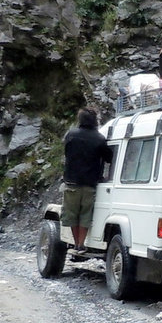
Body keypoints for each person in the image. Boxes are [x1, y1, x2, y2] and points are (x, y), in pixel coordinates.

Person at [61, 107, 113, 253]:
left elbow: (66, 153)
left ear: (80, 119)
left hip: (71, 181)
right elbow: (109, 157)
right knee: (85, 215)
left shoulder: (71, 135)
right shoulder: (99, 138)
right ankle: (81, 244)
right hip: (90, 183)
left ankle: (75, 242)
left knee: (72, 214)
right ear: (94, 121)